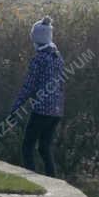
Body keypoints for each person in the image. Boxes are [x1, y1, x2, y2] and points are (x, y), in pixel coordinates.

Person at [11, 16, 65, 176]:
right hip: (57, 111)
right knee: (44, 147)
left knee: (27, 145)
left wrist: (16, 106)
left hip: (42, 110)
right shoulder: (58, 58)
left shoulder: (39, 59)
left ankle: (31, 178)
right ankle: (53, 179)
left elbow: (29, 86)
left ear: (36, 39)